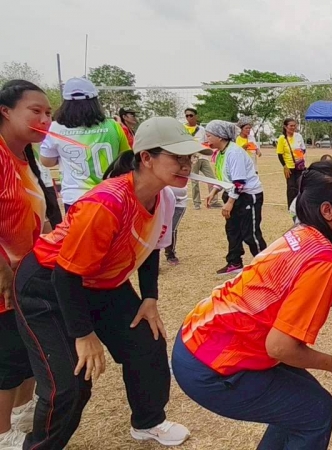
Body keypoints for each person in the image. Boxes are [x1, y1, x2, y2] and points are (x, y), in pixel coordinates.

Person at [172, 160, 332, 450]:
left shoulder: (302, 235)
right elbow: (280, 347)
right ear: (328, 210)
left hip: (197, 338)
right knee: (314, 411)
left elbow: (280, 299)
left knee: (304, 404)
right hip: (213, 364)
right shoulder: (322, 259)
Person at [13, 117, 199, 449]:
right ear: (146, 157)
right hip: (48, 285)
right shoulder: (106, 203)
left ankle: (148, 422)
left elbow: (152, 246)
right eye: (177, 157)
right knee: (71, 383)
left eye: (190, 158)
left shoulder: (165, 197)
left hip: (101, 283)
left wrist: (150, 298)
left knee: (147, 344)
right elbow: (65, 274)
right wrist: (83, 334)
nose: (186, 165)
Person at [0, 80, 52, 449]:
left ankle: (21, 413)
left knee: (26, 351)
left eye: (48, 113)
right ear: (5, 111)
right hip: (4, 280)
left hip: (25, 276)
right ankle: (2, 434)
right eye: (36, 111)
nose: (45, 120)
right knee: (7, 359)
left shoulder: (24, 158)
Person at [39, 77, 131, 212]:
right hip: (111, 195)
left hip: (76, 198)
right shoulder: (114, 126)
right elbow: (126, 159)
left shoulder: (55, 128)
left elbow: (46, 161)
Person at [204, 120, 266, 276]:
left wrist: (230, 202)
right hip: (233, 193)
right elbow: (224, 178)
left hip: (248, 195)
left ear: (220, 136)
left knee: (250, 233)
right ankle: (234, 262)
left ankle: (266, 265)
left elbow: (239, 182)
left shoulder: (234, 152)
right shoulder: (221, 153)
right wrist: (214, 191)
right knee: (232, 229)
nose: (207, 138)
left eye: (209, 135)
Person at [185, 108, 220, 209]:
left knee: (212, 179)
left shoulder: (202, 129)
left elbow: (207, 142)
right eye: (187, 115)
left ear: (196, 116)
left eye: (191, 115)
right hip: (192, 158)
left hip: (203, 157)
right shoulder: (183, 129)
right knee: (194, 182)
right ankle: (197, 203)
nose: (189, 117)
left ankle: (213, 201)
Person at [276, 118, 306, 208]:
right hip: (289, 167)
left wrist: (299, 153)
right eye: (291, 126)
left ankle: (299, 205)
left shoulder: (298, 136)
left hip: (299, 166)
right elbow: (280, 154)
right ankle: (291, 207)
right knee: (291, 187)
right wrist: (284, 166)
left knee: (300, 186)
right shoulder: (282, 138)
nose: (293, 127)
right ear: (285, 127)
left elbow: (303, 149)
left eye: (294, 126)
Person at [164, 185, 188, 266]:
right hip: (163, 201)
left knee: (172, 229)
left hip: (179, 202)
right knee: (156, 229)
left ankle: (170, 254)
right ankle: (152, 258)